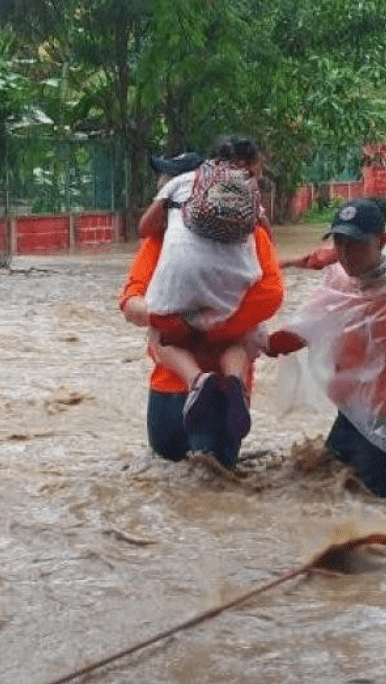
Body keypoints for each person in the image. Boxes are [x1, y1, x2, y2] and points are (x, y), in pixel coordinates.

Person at [264, 198, 386, 504]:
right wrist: (254, 341)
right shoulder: (346, 283)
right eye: (339, 242)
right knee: (322, 492)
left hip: (384, 433)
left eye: (356, 244)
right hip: (351, 417)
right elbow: (308, 327)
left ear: (382, 242)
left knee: (377, 514)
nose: (345, 253)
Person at [120, 143, 285, 470]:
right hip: (223, 393)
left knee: (166, 492)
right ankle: (231, 382)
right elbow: (272, 293)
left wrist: (170, 322)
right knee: (218, 492)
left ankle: (196, 378)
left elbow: (129, 301)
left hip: (167, 392)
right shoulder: (251, 234)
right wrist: (219, 327)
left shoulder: (160, 239)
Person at [280, 236, 386, 334]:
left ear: (380, 241)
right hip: (365, 314)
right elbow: (315, 260)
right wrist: (283, 264)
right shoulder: (347, 247)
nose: (347, 254)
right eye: (341, 244)